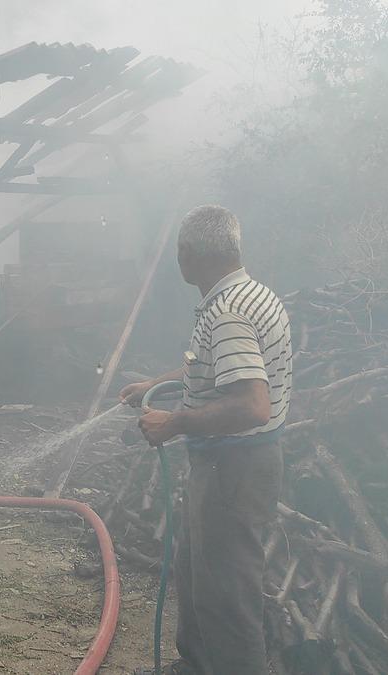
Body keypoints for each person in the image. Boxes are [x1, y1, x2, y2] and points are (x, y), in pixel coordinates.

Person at [120, 205, 292, 675]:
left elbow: (252, 405)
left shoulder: (228, 313)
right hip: (230, 466)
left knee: (227, 591)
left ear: (188, 255)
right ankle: (195, 665)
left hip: (235, 469)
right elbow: (215, 367)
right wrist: (154, 384)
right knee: (196, 570)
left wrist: (174, 423)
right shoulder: (251, 294)